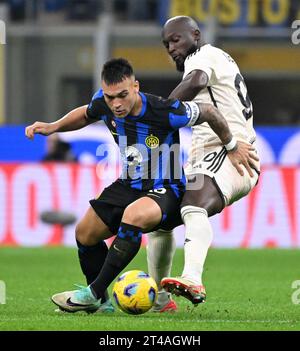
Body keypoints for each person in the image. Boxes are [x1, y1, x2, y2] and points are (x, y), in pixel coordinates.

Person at [25, 58, 256, 314]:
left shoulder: (163, 110)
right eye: (111, 97)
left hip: (167, 187)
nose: (116, 104)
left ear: (135, 86)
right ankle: (101, 305)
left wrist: (232, 147)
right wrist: (54, 126)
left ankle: (93, 293)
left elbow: (209, 112)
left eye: (123, 95)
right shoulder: (105, 102)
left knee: (133, 216)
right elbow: (87, 113)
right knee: (84, 233)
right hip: (129, 184)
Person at [148, 16, 260, 305]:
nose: (171, 48)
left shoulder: (202, 56)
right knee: (161, 219)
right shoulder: (217, 58)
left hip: (233, 153)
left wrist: (159, 115)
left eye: (176, 39)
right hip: (209, 157)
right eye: (166, 44)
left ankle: (193, 280)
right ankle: (160, 301)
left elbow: (196, 81)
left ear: (195, 35)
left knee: (193, 204)